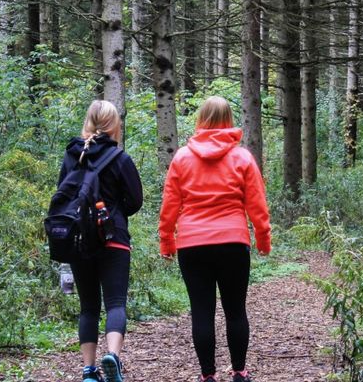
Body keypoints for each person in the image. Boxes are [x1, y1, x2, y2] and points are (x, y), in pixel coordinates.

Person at [159, 96, 271, 382]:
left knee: (201, 311)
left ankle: (208, 376)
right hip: (233, 242)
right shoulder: (242, 157)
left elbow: (170, 204)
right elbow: (257, 203)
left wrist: (166, 240)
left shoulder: (182, 157)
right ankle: (239, 372)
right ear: (229, 120)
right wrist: (263, 239)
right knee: (235, 310)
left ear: (201, 119)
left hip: (192, 244)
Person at [59, 100, 143, 382]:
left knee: (89, 307)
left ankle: (88, 370)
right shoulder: (120, 159)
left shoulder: (72, 155)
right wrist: (114, 209)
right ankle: (113, 358)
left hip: (79, 240)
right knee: (116, 303)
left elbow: (63, 196)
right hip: (113, 237)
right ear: (113, 125)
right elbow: (135, 201)